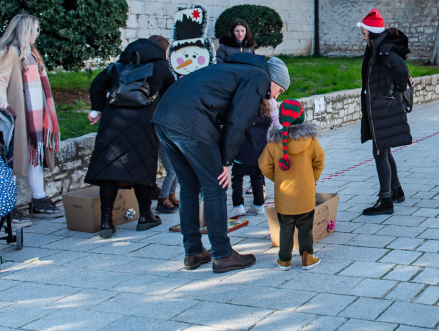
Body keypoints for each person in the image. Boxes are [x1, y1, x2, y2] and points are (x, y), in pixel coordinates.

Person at [153, 52, 289, 272]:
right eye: (279, 91)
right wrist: (227, 162)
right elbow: (239, 120)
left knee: (188, 187)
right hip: (190, 123)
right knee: (216, 185)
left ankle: (194, 252)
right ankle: (223, 254)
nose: (274, 98)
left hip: (164, 119)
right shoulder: (258, 77)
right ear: (273, 80)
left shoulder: (234, 69)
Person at [85, 35, 174, 238]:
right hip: (143, 123)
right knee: (142, 168)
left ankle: (106, 222)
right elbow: (172, 90)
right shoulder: (160, 67)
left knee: (109, 170)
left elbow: (97, 84)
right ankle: (145, 216)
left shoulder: (118, 66)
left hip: (112, 121)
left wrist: (97, 109)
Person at [0, 14, 62, 219]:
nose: (37, 34)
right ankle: (8, 207)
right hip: (18, 116)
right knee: (12, 159)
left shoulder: (32, 53)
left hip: (36, 117)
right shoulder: (10, 51)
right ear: (25, 30)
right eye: (35, 29)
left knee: (34, 156)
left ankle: (39, 199)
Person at [357, 9, 411, 216]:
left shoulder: (384, 50)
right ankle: (396, 190)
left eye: (364, 33)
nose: (363, 37)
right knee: (384, 148)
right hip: (379, 105)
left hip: (383, 106)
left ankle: (385, 199)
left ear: (372, 32)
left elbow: (402, 71)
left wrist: (396, 89)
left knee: (379, 151)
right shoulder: (375, 48)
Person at [259, 99, 324, 270]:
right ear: (302, 117)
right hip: (306, 193)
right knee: (306, 228)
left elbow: (263, 165)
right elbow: (320, 160)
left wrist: (277, 177)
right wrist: (313, 177)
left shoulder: (274, 142)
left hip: (284, 196)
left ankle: (284, 259)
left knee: (285, 229)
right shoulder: (310, 140)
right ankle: (307, 257)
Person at [232, 100, 271, 217]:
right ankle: (259, 205)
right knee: (257, 179)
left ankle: (238, 206)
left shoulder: (243, 120)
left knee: (237, 178)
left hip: (242, 154)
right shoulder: (266, 120)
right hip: (258, 154)